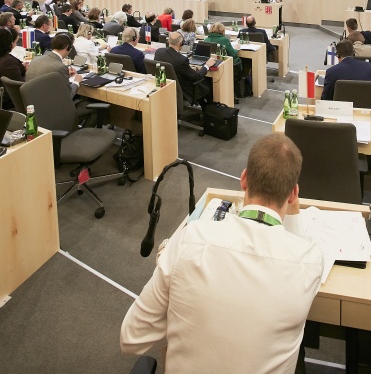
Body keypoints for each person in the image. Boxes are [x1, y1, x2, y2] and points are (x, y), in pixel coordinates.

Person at [120, 134, 323, 374]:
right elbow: (295, 247)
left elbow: (131, 338)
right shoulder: (310, 261)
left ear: (244, 179)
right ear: (293, 195)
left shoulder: (189, 240)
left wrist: (188, 315)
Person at [154, 30, 215, 106]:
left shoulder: (159, 52)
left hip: (166, 87)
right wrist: (207, 65)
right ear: (181, 43)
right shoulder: (182, 60)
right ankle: (210, 112)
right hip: (184, 91)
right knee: (208, 82)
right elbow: (196, 77)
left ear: (168, 41)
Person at [26, 33, 83, 101]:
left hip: (33, 103)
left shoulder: (35, 59)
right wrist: (76, 82)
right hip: (52, 108)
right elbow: (68, 96)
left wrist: (65, 74)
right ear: (67, 47)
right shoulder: (60, 67)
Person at [0, 26, 26, 109]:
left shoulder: (6, 59)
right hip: (11, 102)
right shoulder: (8, 62)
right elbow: (18, 87)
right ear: (10, 44)